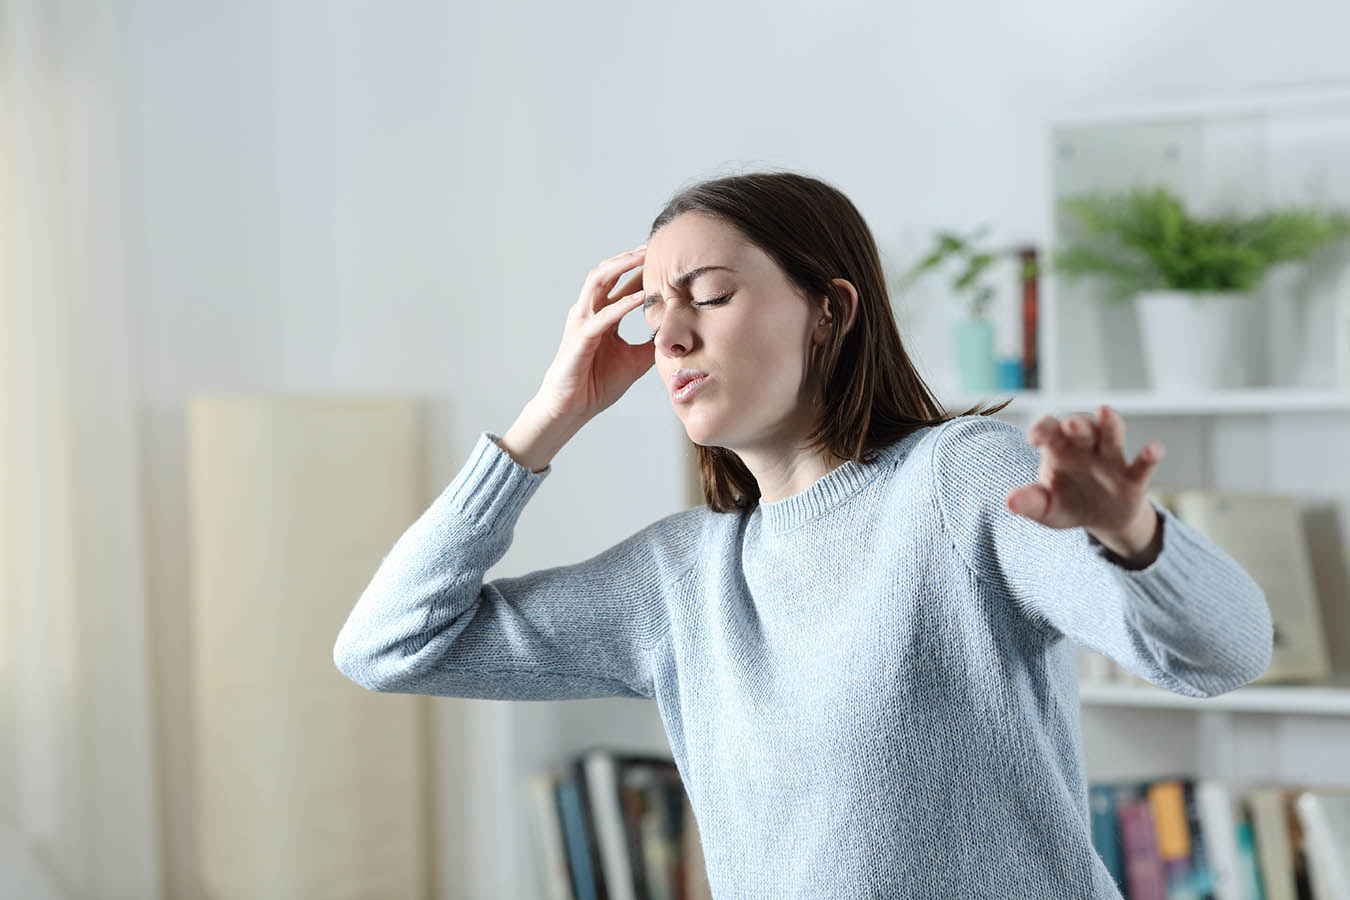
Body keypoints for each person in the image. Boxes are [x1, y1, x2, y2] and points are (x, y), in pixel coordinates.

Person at [333, 171, 1273, 899]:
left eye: (706, 294)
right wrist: (549, 415)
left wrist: (1132, 533)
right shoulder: (679, 579)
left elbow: (1222, 654)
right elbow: (389, 646)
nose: (668, 337)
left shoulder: (956, 480)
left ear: (829, 309)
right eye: (654, 310)